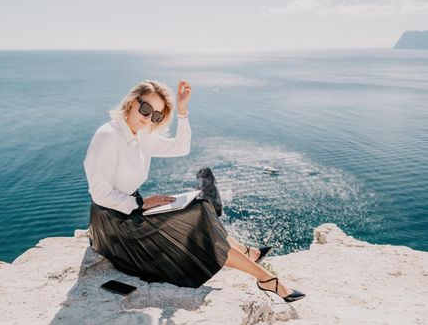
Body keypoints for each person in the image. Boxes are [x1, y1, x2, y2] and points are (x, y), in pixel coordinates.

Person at [83, 80, 305, 302]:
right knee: (196, 221)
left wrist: (182, 111)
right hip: (112, 225)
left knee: (201, 206)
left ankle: (252, 260)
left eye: (157, 116)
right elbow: (99, 194)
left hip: (130, 212)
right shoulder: (108, 136)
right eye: (146, 109)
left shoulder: (140, 135)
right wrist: (140, 204)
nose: (149, 118)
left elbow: (181, 147)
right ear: (131, 102)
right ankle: (265, 277)